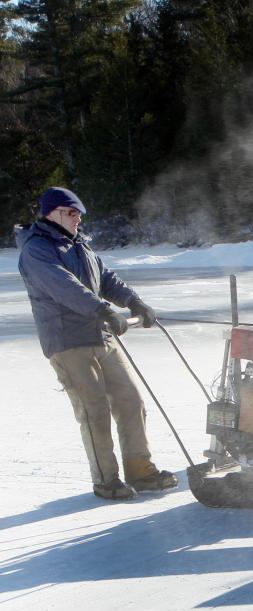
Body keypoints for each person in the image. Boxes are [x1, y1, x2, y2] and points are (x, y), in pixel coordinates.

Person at [16, 187, 178, 500]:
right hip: (68, 341)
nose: (78, 218)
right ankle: (106, 480)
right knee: (94, 412)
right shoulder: (36, 250)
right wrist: (102, 310)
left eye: (79, 213)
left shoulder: (79, 245)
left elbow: (104, 277)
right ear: (52, 213)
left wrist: (134, 301)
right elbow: (64, 287)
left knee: (131, 400)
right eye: (71, 212)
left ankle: (140, 471)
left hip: (99, 336)